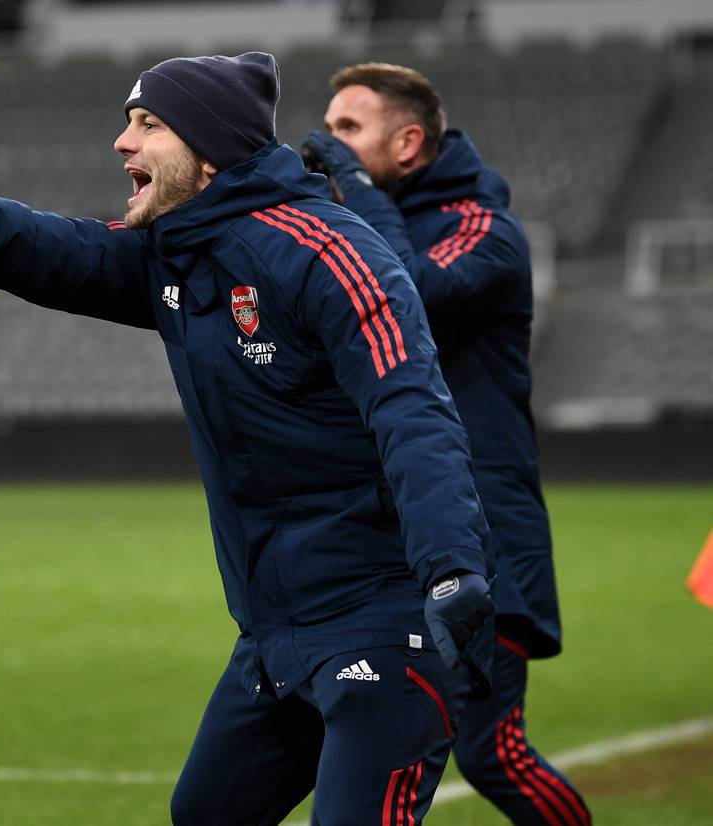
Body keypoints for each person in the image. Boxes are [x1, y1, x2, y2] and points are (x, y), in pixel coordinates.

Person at [0, 52, 496, 825]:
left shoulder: (328, 253)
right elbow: (46, 247)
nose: (121, 143)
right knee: (203, 813)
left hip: (385, 618)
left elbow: (414, 411)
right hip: (276, 634)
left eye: (148, 124)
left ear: (210, 150)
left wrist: (450, 569)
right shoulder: (178, 254)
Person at [301, 62, 591, 825]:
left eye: (347, 130)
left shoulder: (484, 232)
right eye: (327, 127)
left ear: (407, 144)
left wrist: (353, 195)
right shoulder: (351, 223)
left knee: (492, 753)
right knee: (371, 739)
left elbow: (406, 301)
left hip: (485, 533)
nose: (327, 145)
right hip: (385, 538)